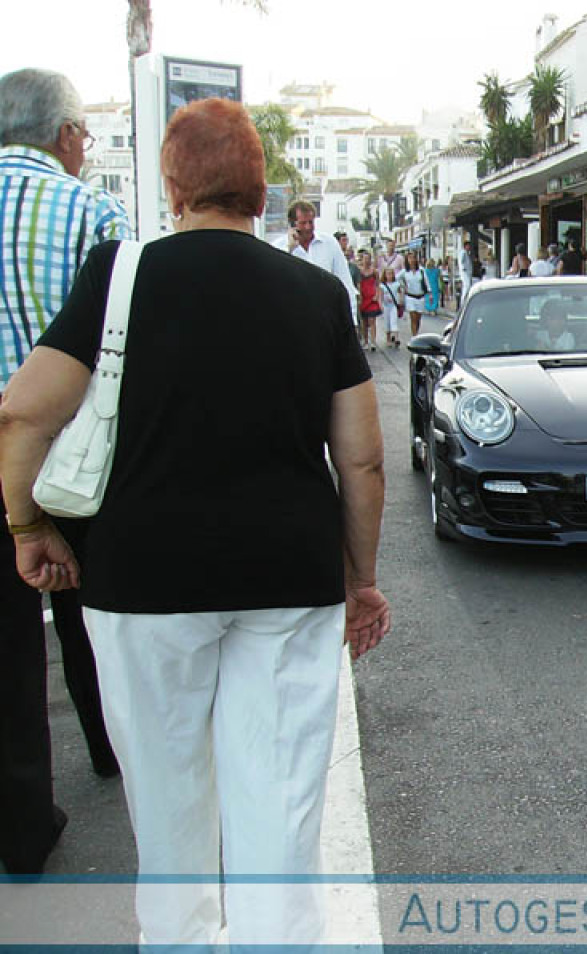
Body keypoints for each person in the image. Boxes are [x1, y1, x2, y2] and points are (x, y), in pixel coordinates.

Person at [0, 97, 390, 942]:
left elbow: (22, 415)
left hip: (140, 584)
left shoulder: (118, 273)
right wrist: (361, 581)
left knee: (171, 819)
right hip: (289, 581)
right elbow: (360, 458)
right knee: (280, 812)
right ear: (259, 191)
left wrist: (29, 528)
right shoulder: (318, 292)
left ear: (173, 187)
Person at [0, 66, 127, 876]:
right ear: (68, 135)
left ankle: (21, 827)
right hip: (73, 456)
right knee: (93, 609)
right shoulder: (89, 209)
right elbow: (122, 347)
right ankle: (113, 748)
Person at [274, 199, 358, 321]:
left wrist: (352, 318)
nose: (308, 227)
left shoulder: (329, 243)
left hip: (326, 317)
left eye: (311, 222)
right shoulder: (278, 248)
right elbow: (276, 282)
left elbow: (345, 282)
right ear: (292, 224)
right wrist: (290, 249)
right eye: (303, 223)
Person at [399, 250, 428, 336]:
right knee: (413, 318)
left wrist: (429, 294)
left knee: (418, 319)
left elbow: (426, 282)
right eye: (410, 258)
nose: (412, 260)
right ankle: (414, 336)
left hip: (420, 297)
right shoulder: (405, 272)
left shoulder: (422, 270)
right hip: (410, 297)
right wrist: (403, 286)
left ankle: (416, 333)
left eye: (413, 258)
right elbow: (396, 278)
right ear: (407, 260)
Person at [357, 250, 381, 350]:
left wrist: (377, 295)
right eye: (365, 259)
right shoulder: (359, 271)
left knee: (372, 320)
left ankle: (373, 342)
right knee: (364, 322)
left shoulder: (374, 271)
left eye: (368, 259)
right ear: (362, 260)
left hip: (372, 298)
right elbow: (358, 283)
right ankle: (365, 341)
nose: (366, 261)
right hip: (363, 297)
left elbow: (378, 284)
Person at [380, 266, 403, 348]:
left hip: (394, 305)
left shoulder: (397, 284)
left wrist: (400, 301)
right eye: (388, 274)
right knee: (387, 322)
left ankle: (396, 338)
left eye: (391, 274)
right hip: (386, 306)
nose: (390, 276)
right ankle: (388, 339)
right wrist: (380, 305)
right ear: (385, 275)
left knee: (394, 321)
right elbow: (381, 295)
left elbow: (400, 293)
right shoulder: (382, 285)